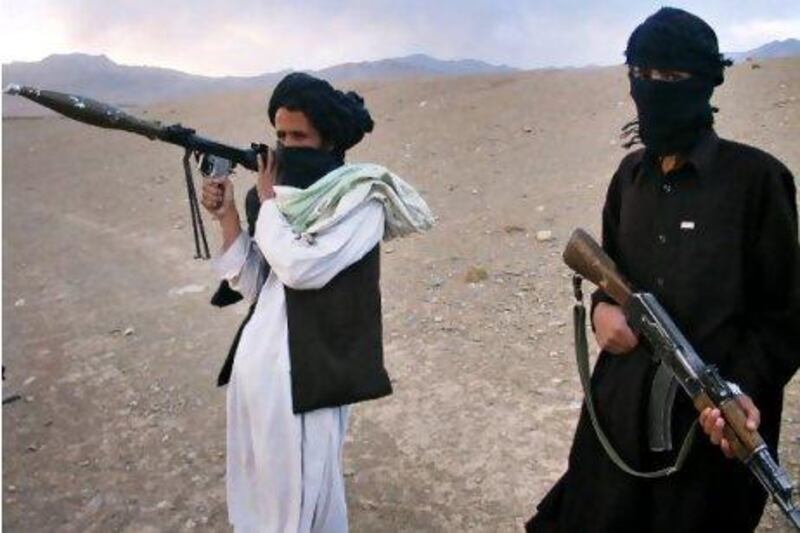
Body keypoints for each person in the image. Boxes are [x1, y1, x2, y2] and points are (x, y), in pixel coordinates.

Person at [526, 8, 800, 532]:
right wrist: (602, 314)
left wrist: (741, 390)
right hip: (616, 418)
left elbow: (784, 317)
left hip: (705, 435)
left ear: (705, 82)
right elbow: (610, 275)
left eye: (671, 78)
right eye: (640, 75)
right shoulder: (629, 178)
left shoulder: (757, 182)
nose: (651, 89)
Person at [201, 72, 432, 532]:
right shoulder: (275, 201)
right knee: (260, 497)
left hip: (308, 374)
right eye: (280, 135)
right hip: (258, 367)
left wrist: (268, 206)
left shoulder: (361, 199)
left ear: (328, 142)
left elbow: (303, 269)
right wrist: (228, 214)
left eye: (298, 136)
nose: (286, 147)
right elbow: (255, 281)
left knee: (303, 498)